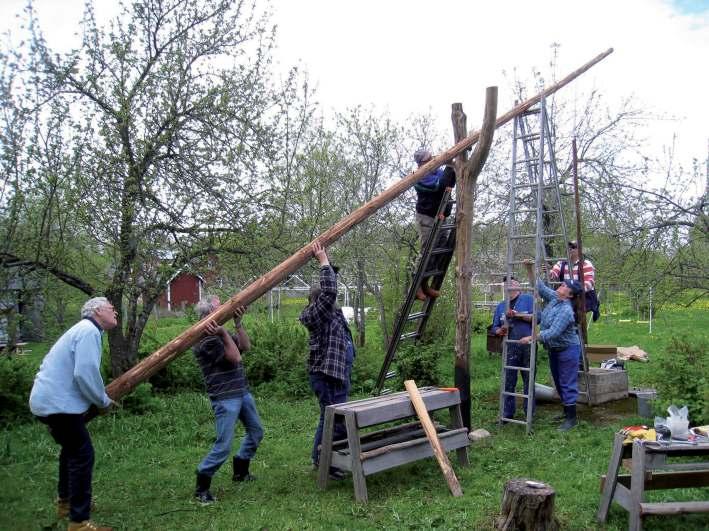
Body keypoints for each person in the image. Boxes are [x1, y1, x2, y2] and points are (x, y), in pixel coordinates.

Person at [29, 297, 118, 531]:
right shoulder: (88, 330)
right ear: (98, 311)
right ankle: (79, 521)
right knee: (82, 454)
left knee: (71, 451)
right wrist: (102, 401)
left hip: (49, 402)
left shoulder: (86, 330)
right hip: (57, 405)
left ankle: (66, 503)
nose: (115, 311)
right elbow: (84, 373)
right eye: (111, 308)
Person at [192, 296, 263, 503]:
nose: (224, 308)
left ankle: (240, 471)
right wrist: (223, 332)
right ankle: (201, 487)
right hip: (225, 398)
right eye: (219, 307)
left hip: (241, 392)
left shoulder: (220, 334)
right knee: (223, 445)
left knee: (256, 432)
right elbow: (236, 358)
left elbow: (245, 347)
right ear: (209, 314)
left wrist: (238, 323)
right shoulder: (205, 339)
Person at [299, 242, 355, 480]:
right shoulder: (314, 315)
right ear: (319, 300)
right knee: (334, 420)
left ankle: (322, 459)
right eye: (327, 298)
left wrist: (330, 266)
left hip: (337, 373)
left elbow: (332, 288)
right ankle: (325, 461)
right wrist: (322, 261)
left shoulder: (331, 312)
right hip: (326, 375)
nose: (332, 300)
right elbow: (329, 291)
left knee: (331, 418)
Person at [520, 262, 584, 431]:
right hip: (554, 350)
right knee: (558, 381)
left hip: (568, 350)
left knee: (567, 382)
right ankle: (565, 412)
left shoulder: (566, 310)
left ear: (569, 294)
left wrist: (532, 338)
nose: (560, 285)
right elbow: (539, 287)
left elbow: (554, 332)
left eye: (564, 286)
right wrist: (529, 269)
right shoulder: (555, 298)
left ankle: (572, 419)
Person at [413, 148, 456, 301]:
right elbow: (440, 185)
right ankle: (416, 285)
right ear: (421, 163)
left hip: (439, 216)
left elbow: (450, 181)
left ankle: (425, 283)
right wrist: (450, 166)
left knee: (440, 250)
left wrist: (452, 167)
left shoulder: (435, 171)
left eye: (433, 157)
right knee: (427, 250)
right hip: (426, 217)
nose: (433, 160)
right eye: (429, 159)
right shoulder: (420, 176)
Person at [491, 277, 535, 420]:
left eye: (511, 283)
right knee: (508, 380)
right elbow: (495, 326)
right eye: (506, 285)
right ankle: (507, 413)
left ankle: (529, 412)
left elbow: (538, 318)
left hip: (527, 345)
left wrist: (519, 315)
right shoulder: (501, 306)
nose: (508, 286)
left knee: (528, 379)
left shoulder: (528, 299)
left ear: (518, 285)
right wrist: (499, 331)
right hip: (510, 347)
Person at [549, 240, 600, 321]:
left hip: (585, 296)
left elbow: (589, 283)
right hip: (568, 296)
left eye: (573, 247)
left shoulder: (586, 264)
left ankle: (595, 307)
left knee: (573, 315)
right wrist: (548, 271)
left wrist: (573, 290)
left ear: (579, 250)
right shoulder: (561, 263)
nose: (571, 249)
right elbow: (553, 274)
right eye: (569, 247)